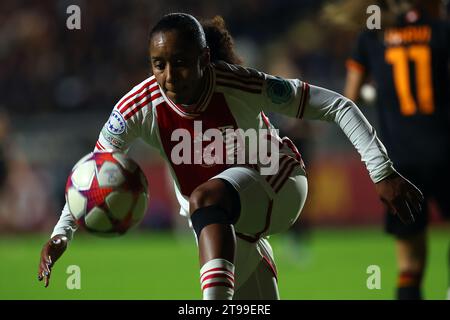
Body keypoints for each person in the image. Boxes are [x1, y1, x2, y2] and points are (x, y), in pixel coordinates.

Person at [38, 13, 423, 300]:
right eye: (159, 65)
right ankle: (254, 252)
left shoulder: (241, 84)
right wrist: (61, 234)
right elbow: (94, 176)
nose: (170, 76)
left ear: (205, 59)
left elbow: (337, 105)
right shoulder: (136, 108)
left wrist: (382, 171)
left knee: (206, 199)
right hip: (219, 220)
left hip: (279, 181)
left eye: (182, 62)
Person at [342, 0, 449, 299]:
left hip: (399, 163)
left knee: (409, 264)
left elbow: (349, 100)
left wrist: (376, 92)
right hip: (445, 151)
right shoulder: (441, 30)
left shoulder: (372, 36)